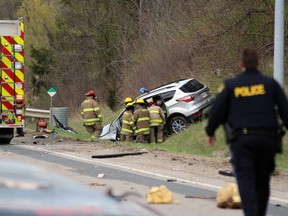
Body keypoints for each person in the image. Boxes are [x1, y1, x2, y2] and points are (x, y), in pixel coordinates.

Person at [205, 47, 288, 216]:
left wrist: (210, 131)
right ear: (258, 63)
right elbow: (285, 111)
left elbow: (216, 111)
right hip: (267, 140)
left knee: (246, 181)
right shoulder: (270, 84)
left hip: (242, 141)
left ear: (241, 64)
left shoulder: (231, 85)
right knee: (262, 182)